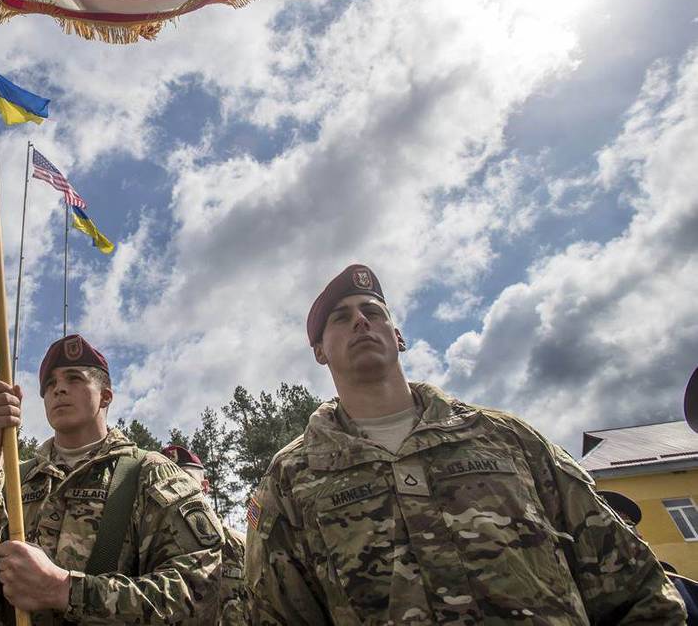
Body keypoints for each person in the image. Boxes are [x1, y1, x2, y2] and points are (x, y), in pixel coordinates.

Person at [244, 263, 685, 624]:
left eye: (373, 312)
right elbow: (275, 614)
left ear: (397, 336)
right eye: (341, 318)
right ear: (320, 351)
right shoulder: (293, 478)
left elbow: (635, 585)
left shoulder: (506, 438)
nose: (361, 320)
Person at [0, 334, 224, 625]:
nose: (59, 390)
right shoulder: (17, 479)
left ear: (105, 395)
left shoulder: (150, 475)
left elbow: (197, 595)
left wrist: (66, 590)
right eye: (50, 384)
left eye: (74, 379)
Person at [161, 444, 246, 626]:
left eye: (186, 481)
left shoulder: (239, 546)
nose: (176, 492)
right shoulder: (147, 550)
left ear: (204, 487)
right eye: (168, 484)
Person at [598, 489, 698, 624]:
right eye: (603, 529)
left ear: (640, 538)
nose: (621, 536)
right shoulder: (572, 599)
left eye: (628, 527)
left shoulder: (681, 587)